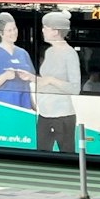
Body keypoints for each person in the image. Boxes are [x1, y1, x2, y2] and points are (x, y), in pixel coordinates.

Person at [35, 11, 80, 152]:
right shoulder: (49, 52)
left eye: (45, 27)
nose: (43, 30)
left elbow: (75, 88)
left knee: (67, 155)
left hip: (62, 116)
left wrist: (51, 80)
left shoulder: (70, 54)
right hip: (44, 114)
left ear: (55, 31)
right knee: (41, 157)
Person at [0, 12, 35, 109]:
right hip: (3, 106)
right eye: (9, 30)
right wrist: (5, 76)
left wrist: (33, 107)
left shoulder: (23, 53)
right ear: (1, 33)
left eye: (14, 29)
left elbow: (30, 83)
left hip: (24, 105)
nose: (13, 33)